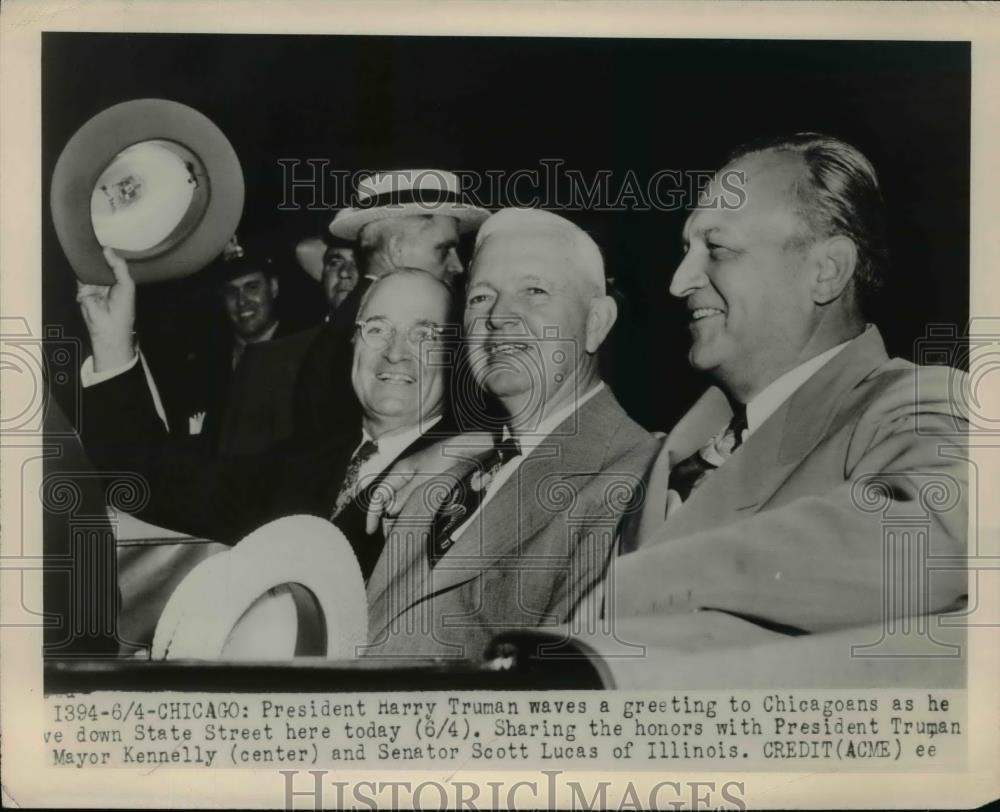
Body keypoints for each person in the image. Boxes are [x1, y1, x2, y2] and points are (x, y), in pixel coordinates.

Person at [607, 133, 968, 640]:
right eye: (686, 250)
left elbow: (937, 538)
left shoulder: (916, 403)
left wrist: (629, 588)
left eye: (717, 248)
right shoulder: (662, 456)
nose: (680, 281)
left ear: (826, 271)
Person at [363, 208, 660, 660]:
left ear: (596, 322)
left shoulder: (633, 484)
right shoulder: (449, 468)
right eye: (481, 297)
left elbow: (558, 692)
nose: (500, 316)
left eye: (534, 291)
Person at [76, 257, 456, 581]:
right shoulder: (305, 463)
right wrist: (110, 338)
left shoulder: (474, 474)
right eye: (377, 329)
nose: (396, 353)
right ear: (352, 342)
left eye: (426, 334)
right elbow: (153, 480)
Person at [293, 170, 489, 445]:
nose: (457, 266)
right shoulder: (347, 343)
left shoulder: (341, 328)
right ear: (397, 249)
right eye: (444, 249)